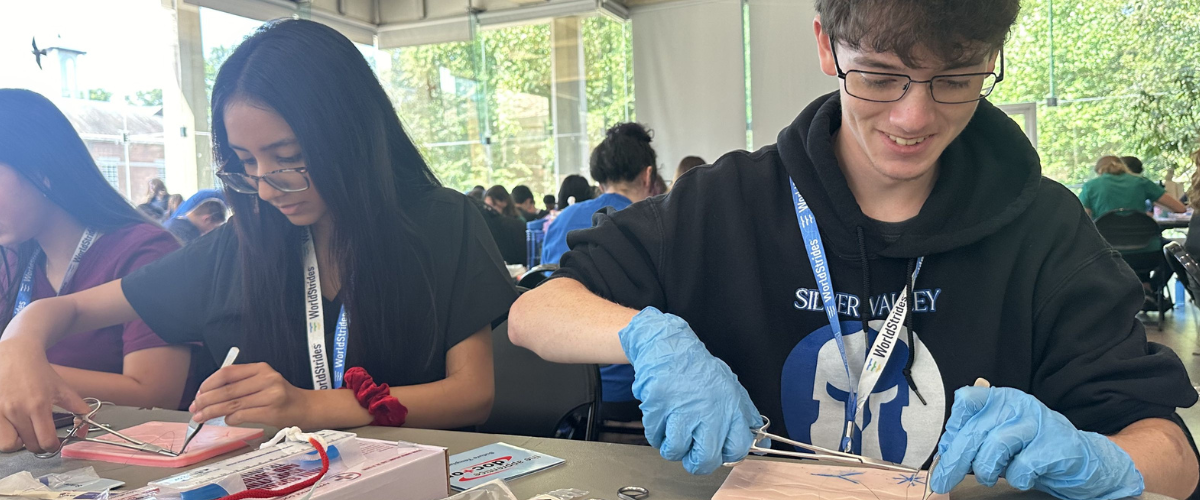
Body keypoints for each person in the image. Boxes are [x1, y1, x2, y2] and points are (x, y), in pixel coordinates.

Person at [507, 1, 1200, 498]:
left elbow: (1174, 457)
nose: (913, 117)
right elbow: (533, 313)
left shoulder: (1043, 227)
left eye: (955, 79)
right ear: (825, 44)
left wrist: (1096, 461)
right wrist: (645, 336)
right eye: (879, 75)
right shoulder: (726, 204)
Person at [0, 19, 517, 456]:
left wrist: (312, 406)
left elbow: (472, 394)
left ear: (350, 135)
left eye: (289, 158)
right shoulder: (239, 245)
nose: (267, 187)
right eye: (246, 164)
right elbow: (67, 311)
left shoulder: (444, 221)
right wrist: (22, 338)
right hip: (287, 477)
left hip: (421, 472)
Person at [0, 89, 193, 412]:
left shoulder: (144, 251)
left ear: (40, 172)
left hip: (138, 452)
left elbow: (157, 395)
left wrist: (18, 367)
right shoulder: (15, 258)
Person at [541, 123, 659, 421]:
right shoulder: (653, 223)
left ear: (599, 179)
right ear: (648, 175)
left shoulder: (560, 221)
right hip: (632, 392)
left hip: (560, 388)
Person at [1079, 156, 1186, 218]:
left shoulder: (1090, 186)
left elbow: (1082, 219)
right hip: (1145, 246)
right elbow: (1180, 208)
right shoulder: (1141, 182)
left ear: (1099, 171)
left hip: (1106, 249)